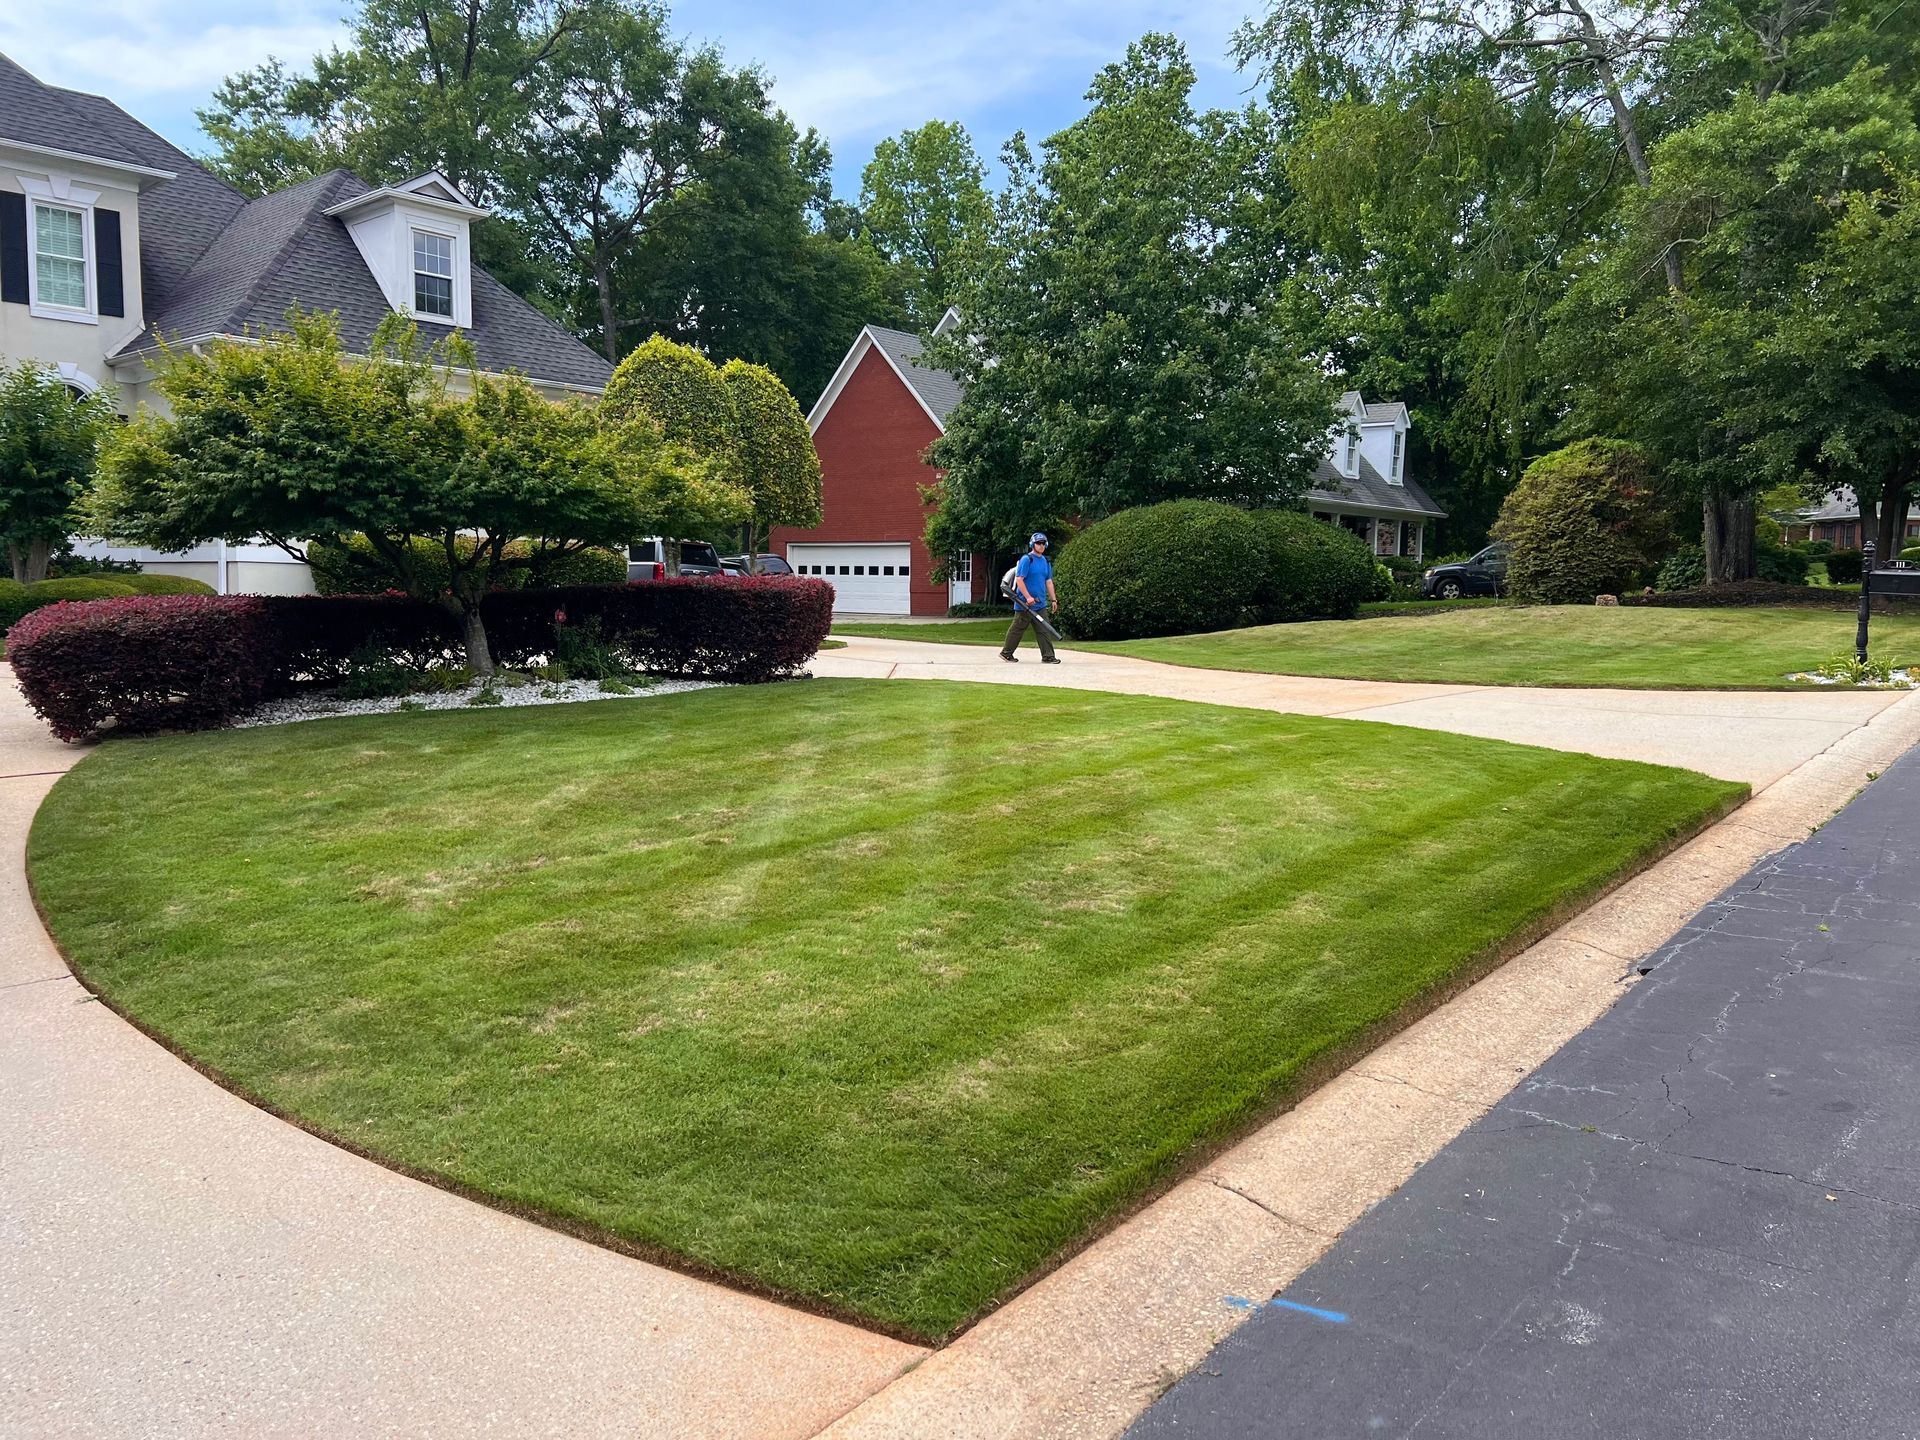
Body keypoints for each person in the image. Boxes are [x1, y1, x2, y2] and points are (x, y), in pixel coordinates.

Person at [1002, 532, 1060, 663]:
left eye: (1043, 543)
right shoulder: (1027, 559)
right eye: (1038, 543)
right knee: (1017, 629)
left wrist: (1053, 599)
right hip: (1025, 604)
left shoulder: (1046, 561)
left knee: (1044, 629)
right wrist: (1027, 597)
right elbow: (1020, 579)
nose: (1041, 545)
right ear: (1032, 545)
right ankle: (1006, 653)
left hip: (1040, 603)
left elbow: (1049, 581)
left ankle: (1048, 656)